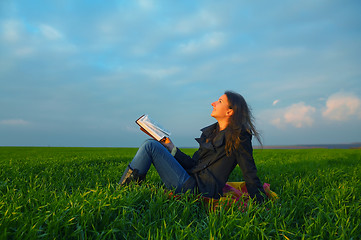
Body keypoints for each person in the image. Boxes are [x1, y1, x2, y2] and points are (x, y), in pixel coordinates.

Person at [119, 91, 266, 202]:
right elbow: (194, 163)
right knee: (153, 144)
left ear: (229, 111)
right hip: (190, 180)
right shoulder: (212, 132)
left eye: (220, 101)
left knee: (150, 145)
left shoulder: (239, 137)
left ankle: (122, 190)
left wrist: (262, 203)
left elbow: (249, 172)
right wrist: (170, 146)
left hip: (199, 190)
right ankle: (127, 189)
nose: (213, 103)